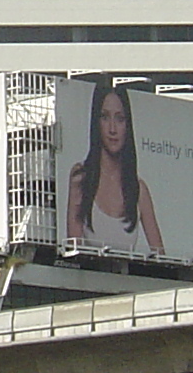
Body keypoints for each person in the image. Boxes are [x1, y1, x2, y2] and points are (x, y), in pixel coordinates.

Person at [64, 81, 164, 256]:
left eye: (119, 119)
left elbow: (162, 256)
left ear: (128, 125)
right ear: (96, 122)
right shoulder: (80, 178)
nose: (112, 129)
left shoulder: (138, 190)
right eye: (105, 117)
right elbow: (73, 249)